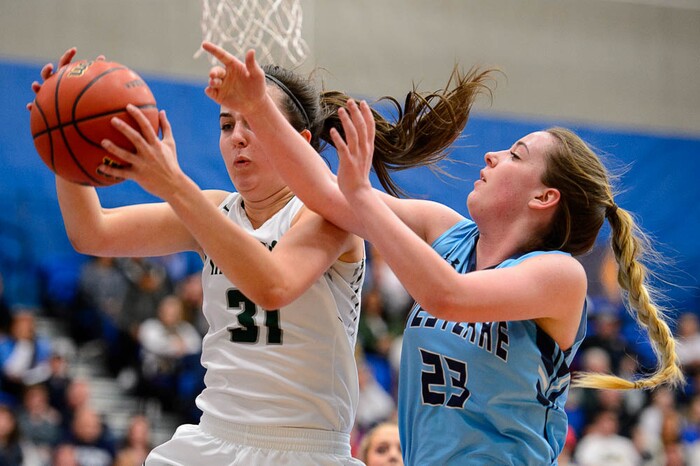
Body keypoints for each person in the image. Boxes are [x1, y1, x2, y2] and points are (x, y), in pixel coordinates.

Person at [200, 43, 685, 464]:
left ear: (543, 198)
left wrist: (365, 201)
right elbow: (326, 195)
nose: (492, 156)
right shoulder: (445, 230)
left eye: (515, 155)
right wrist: (259, 107)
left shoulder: (558, 277)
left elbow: (445, 295)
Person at [29, 47, 366, 466]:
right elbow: (91, 232)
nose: (237, 137)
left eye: (254, 123)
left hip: (305, 449)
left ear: (297, 144)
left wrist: (173, 185)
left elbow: (272, 285)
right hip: (215, 439)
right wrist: (63, 142)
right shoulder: (213, 210)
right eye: (226, 125)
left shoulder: (330, 215)